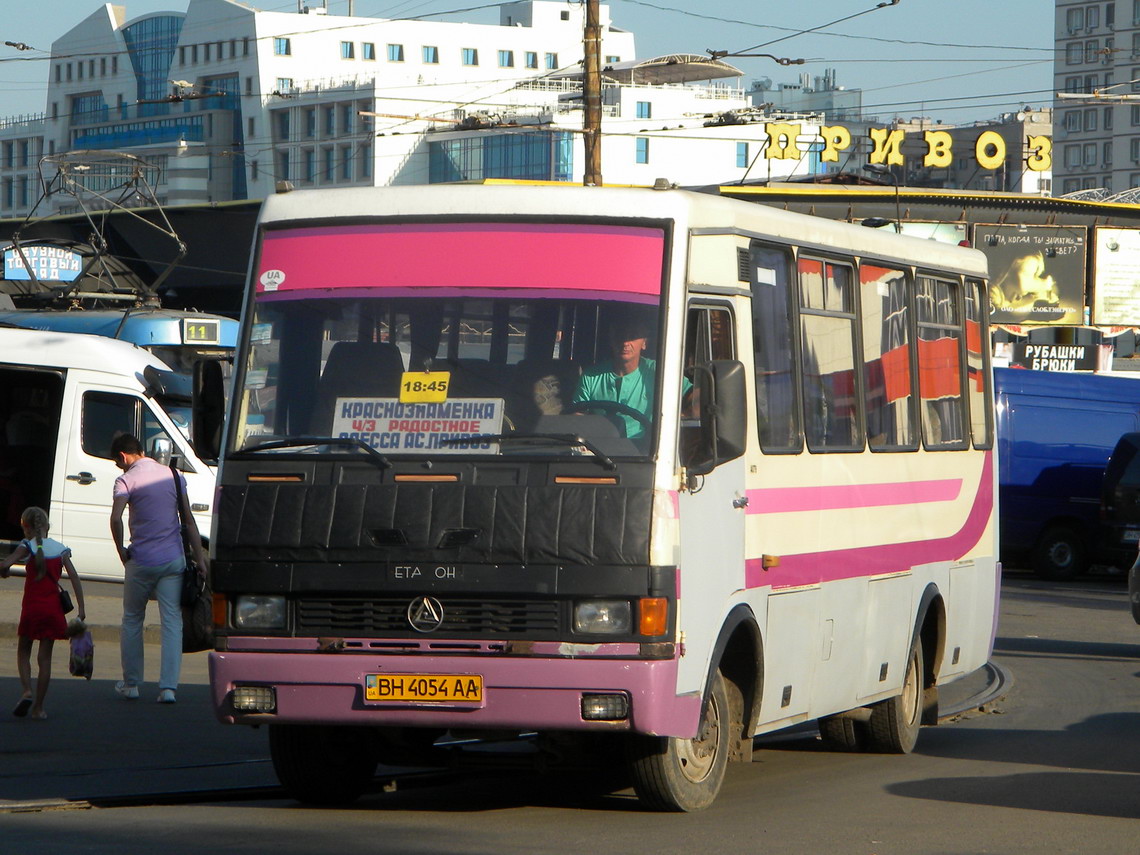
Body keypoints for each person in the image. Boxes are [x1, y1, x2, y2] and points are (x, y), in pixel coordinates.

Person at [109, 434, 207, 705]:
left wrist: (121, 552)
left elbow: (116, 519)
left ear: (123, 457)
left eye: (119, 463)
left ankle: (131, 684)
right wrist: (199, 560)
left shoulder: (126, 480)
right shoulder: (174, 476)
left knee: (132, 618)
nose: (120, 468)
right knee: (172, 621)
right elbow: (188, 521)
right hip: (172, 561)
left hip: (140, 561)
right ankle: (168, 688)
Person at [0, 506, 86, 720]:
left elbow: (5, 564)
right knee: (45, 659)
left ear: (25, 528)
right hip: (53, 611)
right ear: (48, 527)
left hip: (31, 609)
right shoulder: (61, 549)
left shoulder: (26, 546)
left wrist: (5, 571)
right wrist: (82, 610)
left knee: (23, 651)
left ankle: (27, 690)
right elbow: (74, 577)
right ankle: (38, 708)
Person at [574, 314, 689, 440]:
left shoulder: (659, 372)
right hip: (599, 450)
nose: (625, 343)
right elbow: (578, 417)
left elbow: (693, 397)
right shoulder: (590, 376)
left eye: (633, 336)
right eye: (620, 336)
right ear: (611, 340)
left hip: (646, 452)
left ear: (644, 343)